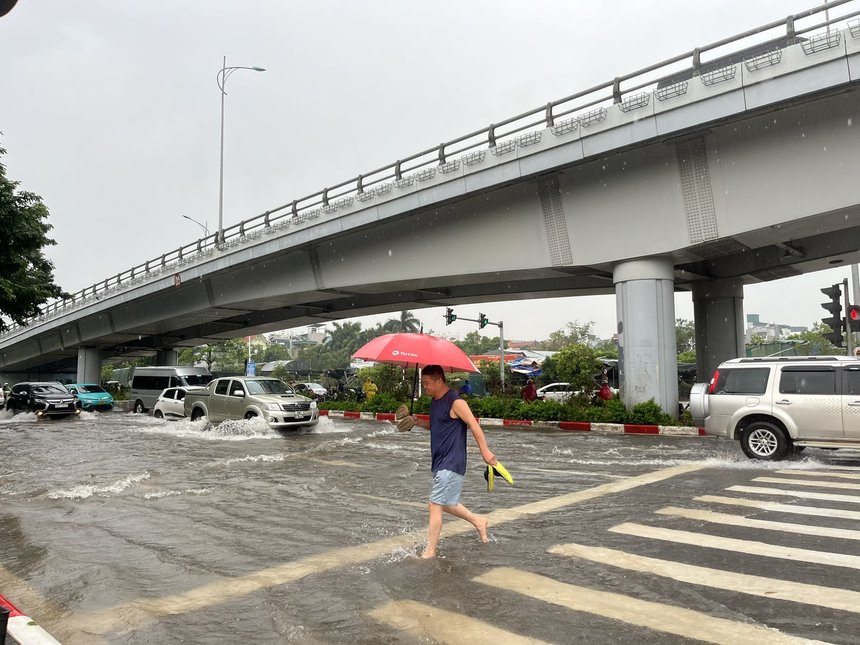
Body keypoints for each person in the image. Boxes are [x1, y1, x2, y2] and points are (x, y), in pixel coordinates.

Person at [397, 364, 497, 559]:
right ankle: (478, 521)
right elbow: (436, 425)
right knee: (447, 503)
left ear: (439, 380)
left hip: (452, 461)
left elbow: (474, 426)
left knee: (434, 504)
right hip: (439, 460)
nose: (424, 387)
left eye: (426, 383)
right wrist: (417, 422)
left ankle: (430, 551)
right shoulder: (435, 402)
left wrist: (485, 451)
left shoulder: (456, 401)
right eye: (423, 383)